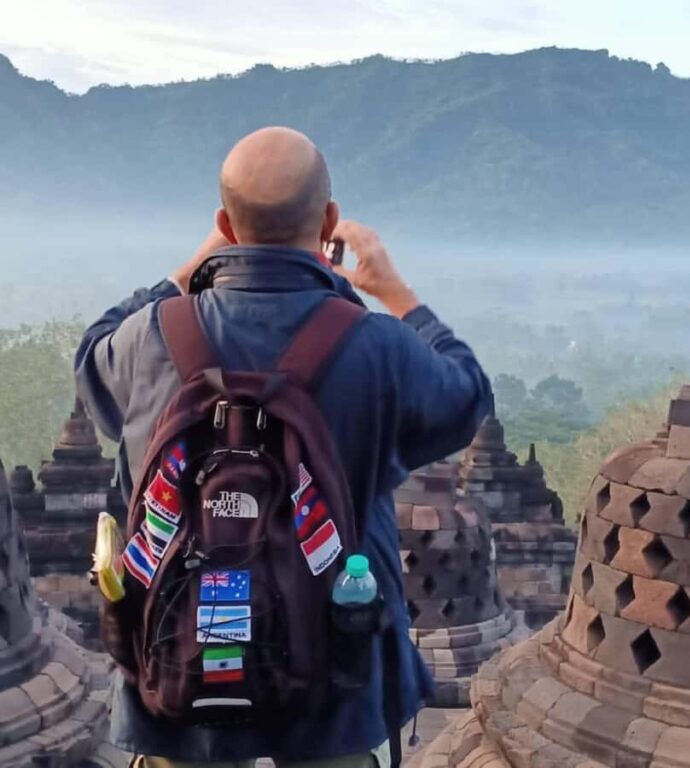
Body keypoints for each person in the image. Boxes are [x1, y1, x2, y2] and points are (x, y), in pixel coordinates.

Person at [75, 126, 492, 768]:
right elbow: (467, 398)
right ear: (329, 221)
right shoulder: (378, 346)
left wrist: (195, 265)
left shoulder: (145, 340)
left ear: (223, 222)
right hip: (334, 670)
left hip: (178, 663)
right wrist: (394, 292)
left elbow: (90, 354)